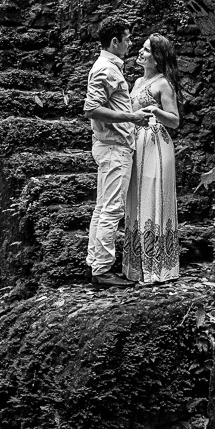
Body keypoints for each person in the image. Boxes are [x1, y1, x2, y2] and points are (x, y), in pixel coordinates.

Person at [82, 19, 148, 287]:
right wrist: (130, 117)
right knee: (111, 209)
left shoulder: (108, 68)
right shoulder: (105, 70)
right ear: (114, 42)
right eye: (128, 38)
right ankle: (103, 270)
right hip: (114, 147)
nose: (130, 43)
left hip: (111, 145)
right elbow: (91, 108)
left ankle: (96, 263)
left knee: (102, 208)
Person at [123, 33, 181, 284]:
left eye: (146, 50)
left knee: (152, 197)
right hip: (136, 144)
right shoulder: (136, 82)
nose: (140, 52)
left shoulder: (163, 84)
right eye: (142, 48)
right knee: (136, 198)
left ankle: (158, 267)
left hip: (156, 144)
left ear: (157, 58)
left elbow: (175, 121)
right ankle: (136, 267)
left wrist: (156, 110)